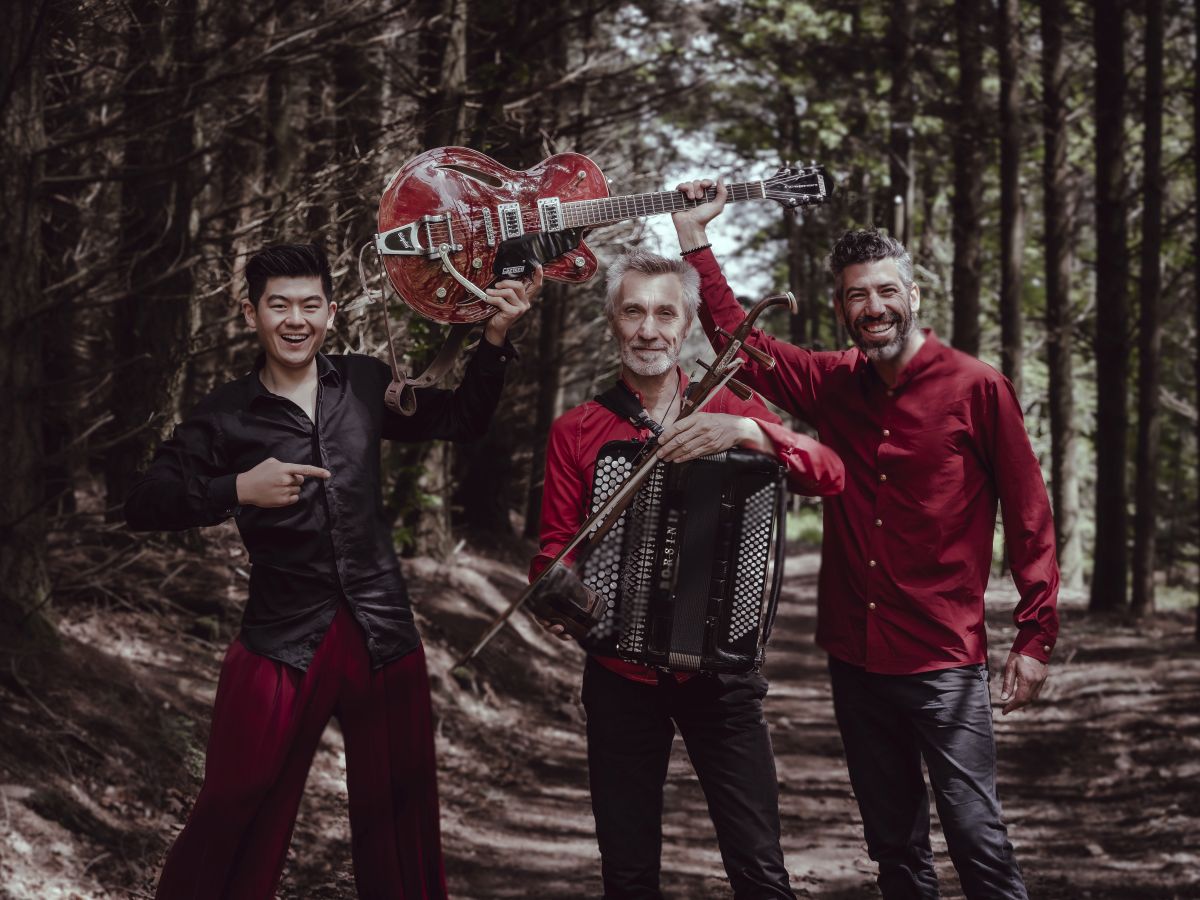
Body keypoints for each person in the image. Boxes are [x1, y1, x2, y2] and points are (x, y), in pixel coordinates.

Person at [670, 180, 1060, 899]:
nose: (873, 307)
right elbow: (739, 341)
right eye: (856, 296)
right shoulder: (830, 382)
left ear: (913, 297)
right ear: (841, 307)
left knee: (977, 838)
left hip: (943, 660)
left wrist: (1035, 636)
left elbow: (1030, 513)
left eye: (885, 291)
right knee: (894, 850)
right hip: (856, 659)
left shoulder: (978, 388)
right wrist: (694, 238)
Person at [124, 242, 537, 900]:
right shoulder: (226, 414)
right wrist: (238, 488)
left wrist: (494, 338)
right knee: (234, 800)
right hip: (280, 637)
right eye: (279, 306)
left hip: (382, 633)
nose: (296, 320)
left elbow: (463, 419)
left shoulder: (366, 383)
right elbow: (145, 503)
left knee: (399, 815)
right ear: (251, 314)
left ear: (331, 312)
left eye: (310, 305)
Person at [531, 248, 845, 900]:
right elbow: (556, 546)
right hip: (619, 674)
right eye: (633, 312)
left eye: (665, 313)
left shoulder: (731, 406)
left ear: (686, 324)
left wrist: (749, 432)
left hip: (719, 672)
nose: (649, 329)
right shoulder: (577, 430)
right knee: (628, 875)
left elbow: (829, 474)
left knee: (759, 869)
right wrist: (558, 589)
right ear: (613, 321)